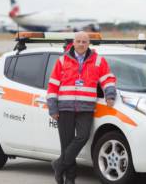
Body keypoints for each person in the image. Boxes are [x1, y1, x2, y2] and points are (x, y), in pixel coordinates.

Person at [46, 31, 116, 184]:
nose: (81, 44)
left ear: (88, 43)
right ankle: (70, 178)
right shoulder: (62, 60)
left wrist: (110, 94)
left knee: (83, 137)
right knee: (66, 144)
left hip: (86, 108)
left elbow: (108, 78)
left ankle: (59, 165)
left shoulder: (98, 61)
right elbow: (52, 85)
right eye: (78, 41)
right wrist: (53, 108)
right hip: (64, 108)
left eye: (84, 41)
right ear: (74, 42)